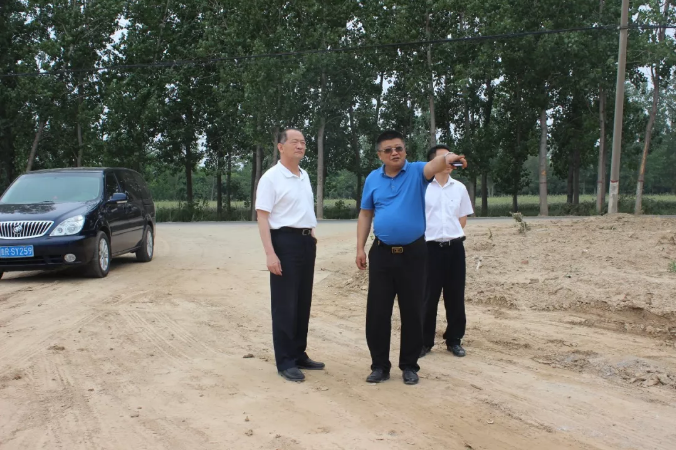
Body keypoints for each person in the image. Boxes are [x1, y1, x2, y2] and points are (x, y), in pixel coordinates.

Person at [356, 130, 467, 385]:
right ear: (379, 155)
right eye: (388, 150)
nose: (394, 153)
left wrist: (450, 157)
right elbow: (365, 213)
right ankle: (379, 366)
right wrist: (360, 248)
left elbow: (436, 163)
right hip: (382, 254)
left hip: (414, 254)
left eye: (399, 148)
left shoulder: (417, 172)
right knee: (378, 313)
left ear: (405, 150)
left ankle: (409, 366)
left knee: (413, 311)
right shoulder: (373, 179)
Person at [255, 128, 324, 382]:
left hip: (306, 242)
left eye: (303, 142)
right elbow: (262, 216)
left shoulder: (304, 175)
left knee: (303, 301)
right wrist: (270, 253)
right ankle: (285, 361)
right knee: (285, 303)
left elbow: (303, 208)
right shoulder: (271, 178)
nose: (300, 146)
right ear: (281, 147)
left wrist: (311, 233)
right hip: (284, 242)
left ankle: (298, 353)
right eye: (294, 141)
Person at [419, 144, 474, 359]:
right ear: (433, 162)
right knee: (427, 297)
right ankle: (424, 342)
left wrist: (450, 234)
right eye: (444, 158)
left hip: (454, 248)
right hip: (429, 249)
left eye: (452, 157)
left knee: (455, 296)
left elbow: (462, 217)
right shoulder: (423, 188)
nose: (450, 161)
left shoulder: (459, 188)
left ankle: (454, 340)